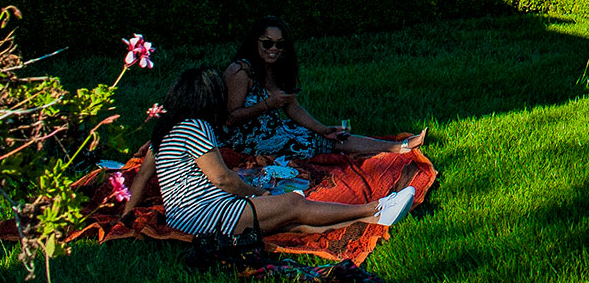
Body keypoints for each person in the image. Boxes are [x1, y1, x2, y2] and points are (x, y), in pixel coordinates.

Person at [119, 68, 414, 236]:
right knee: (292, 204)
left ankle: (373, 220)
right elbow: (223, 179)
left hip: (183, 217)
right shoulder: (196, 126)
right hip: (207, 215)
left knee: (292, 223)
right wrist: (258, 194)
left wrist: (128, 214)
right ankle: (376, 207)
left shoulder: (165, 130)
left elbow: (143, 177)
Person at [222, 17, 426, 158]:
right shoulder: (241, 71)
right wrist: (267, 104)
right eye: (267, 43)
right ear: (255, 43)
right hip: (243, 139)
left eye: (280, 44)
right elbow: (230, 119)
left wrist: (322, 128)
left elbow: (292, 106)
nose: (274, 49)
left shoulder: (276, 68)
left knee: (327, 137)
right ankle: (398, 147)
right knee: (318, 142)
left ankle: (398, 147)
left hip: (271, 130)